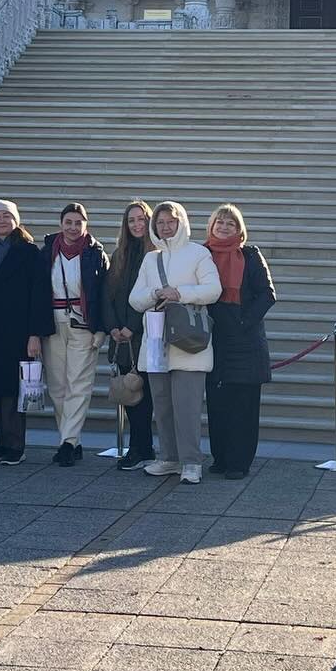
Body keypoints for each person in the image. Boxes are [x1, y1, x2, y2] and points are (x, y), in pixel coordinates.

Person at [129, 201, 221, 484]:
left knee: (187, 406)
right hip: (157, 341)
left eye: (171, 221)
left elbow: (213, 290)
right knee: (163, 404)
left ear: (181, 222)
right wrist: (157, 292)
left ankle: (191, 461)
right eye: (160, 222)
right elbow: (135, 299)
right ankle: (168, 458)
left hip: (188, 341)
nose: (165, 226)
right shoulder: (150, 258)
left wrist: (179, 293)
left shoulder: (198, 253)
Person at [0, 200, 54, 466]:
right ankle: (0, 442)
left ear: (16, 221)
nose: (1, 220)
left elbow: (39, 295)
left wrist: (35, 334)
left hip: (19, 331)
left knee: (14, 390)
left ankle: (15, 444)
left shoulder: (30, 253)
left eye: (6, 216)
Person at [204, 204, 276, 480]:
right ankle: (220, 457)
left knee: (244, 404)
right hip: (214, 335)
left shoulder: (250, 255)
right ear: (211, 226)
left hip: (245, 337)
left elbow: (267, 294)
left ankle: (239, 462)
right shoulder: (201, 254)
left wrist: (243, 322)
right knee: (217, 402)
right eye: (219, 222)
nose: (223, 227)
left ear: (239, 229)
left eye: (230, 224)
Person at [40, 203, 109, 466]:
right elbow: (38, 290)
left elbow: (103, 292)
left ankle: (67, 443)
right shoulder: (48, 252)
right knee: (57, 386)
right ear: (61, 224)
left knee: (78, 384)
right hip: (54, 322)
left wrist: (101, 327)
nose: (72, 227)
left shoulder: (95, 253)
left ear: (86, 225)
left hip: (82, 323)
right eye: (68, 222)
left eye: (78, 223)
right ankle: (72, 440)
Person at [104, 200, 157, 471]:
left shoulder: (156, 254)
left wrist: (132, 326)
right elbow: (108, 295)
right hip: (121, 338)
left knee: (143, 396)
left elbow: (152, 296)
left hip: (146, 336)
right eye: (131, 220)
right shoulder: (119, 255)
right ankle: (139, 449)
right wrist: (113, 326)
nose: (137, 224)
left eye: (141, 219)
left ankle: (143, 448)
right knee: (129, 393)